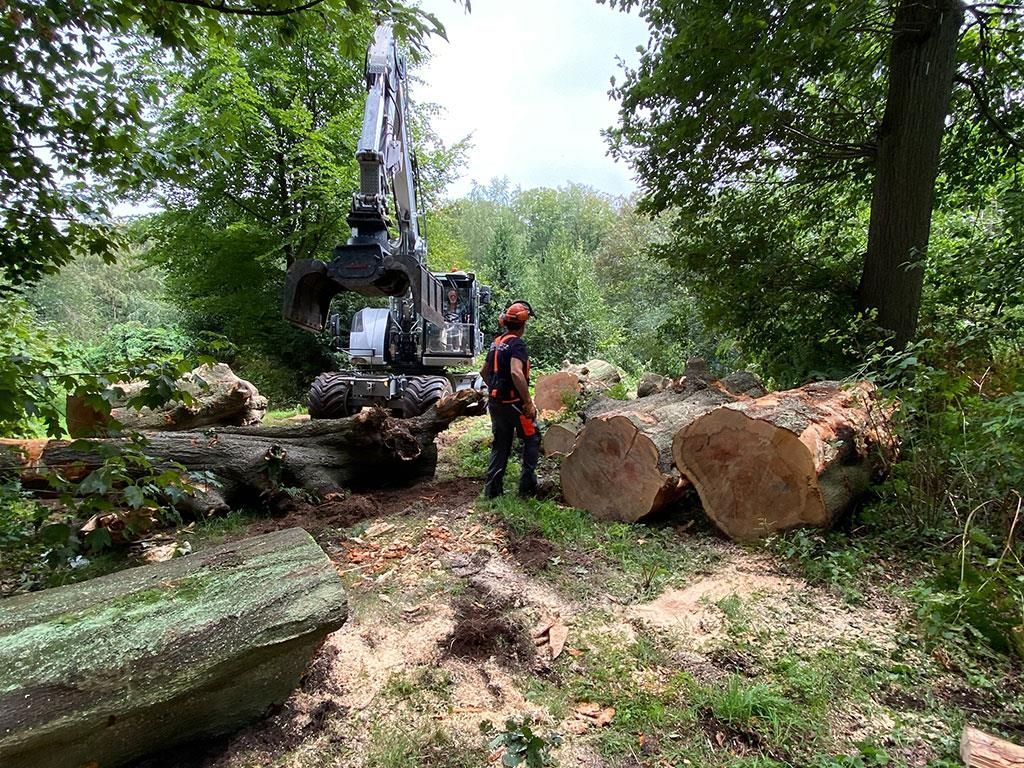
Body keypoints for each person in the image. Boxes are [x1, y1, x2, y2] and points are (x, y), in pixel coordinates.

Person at [480, 300, 540, 499]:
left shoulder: (496, 343)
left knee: (501, 444)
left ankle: (492, 492)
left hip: (496, 404)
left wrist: (495, 388)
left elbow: (483, 372)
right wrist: (527, 403)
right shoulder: (517, 344)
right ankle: (527, 488)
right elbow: (516, 372)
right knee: (532, 438)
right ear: (523, 323)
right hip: (515, 405)